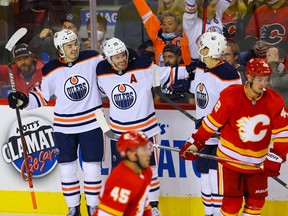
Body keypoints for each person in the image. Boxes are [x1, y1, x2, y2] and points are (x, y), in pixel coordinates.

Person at [7, 29, 105, 216]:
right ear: (60, 48)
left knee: (93, 169)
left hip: (92, 123)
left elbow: (110, 73)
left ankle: (93, 208)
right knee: (67, 170)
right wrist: (24, 100)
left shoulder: (92, 58)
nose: (74, 48)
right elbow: (42, 97)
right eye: (69, 45)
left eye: (75, 43)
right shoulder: (50, 69)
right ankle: (73, 209)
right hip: (64, 127)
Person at [96, 37, 193, 216]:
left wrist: (191, 69)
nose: (121, 60)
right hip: (120, 134)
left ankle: (152, 207)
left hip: (146, 131)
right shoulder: (101, 73)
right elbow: (96, 97)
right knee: (122, 173)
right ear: (108, 59)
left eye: (122, 55)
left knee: (151, 170)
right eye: (116, 57)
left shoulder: (143, 66)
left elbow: (168, 73)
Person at [179, 58, 288, 215]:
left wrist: (276, 156)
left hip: (257, 164)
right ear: (249, 77)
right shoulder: (231, 96)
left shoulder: (275, 101)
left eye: (266, 80)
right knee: (232, 203)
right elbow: (211, 123)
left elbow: (282, 134)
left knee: (256, 203)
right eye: (259, 79)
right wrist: (195, 142)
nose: (264, 84)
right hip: (231, 162)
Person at [182, 32, 241, 216]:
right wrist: (184, 85)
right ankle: (209, 213)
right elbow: (199, 88)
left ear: (213, 50)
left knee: (216, 178)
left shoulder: (229, 75)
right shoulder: (201, 66)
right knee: (204, 177)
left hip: (221, 136)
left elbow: (235, 107)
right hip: (202, 133)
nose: (201, 50)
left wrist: (218, 125)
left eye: (204, 47)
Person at [94, 130, 153, 216]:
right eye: (144, 150)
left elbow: (144, 206)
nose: (149, 153)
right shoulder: (121, 181)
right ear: (131, 154)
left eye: (148, 147)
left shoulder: (146, 171)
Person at [133, 0, 191, 66]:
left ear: (178, 25)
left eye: (170, 24)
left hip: (184, 75)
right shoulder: (157, 34)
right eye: (164, 24)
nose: (166, 27)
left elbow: (191, 16)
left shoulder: (186, 34)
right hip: (161, 75)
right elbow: (145, 12)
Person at [238, 0, 288, 66]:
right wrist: (254, 45)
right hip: (260, 53)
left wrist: (275, 49)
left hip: (281, 52)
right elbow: (250, 36)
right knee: (241, 57)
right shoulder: (260, 10)